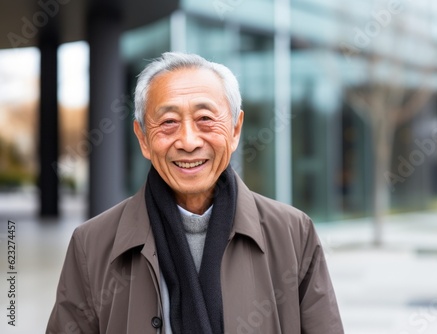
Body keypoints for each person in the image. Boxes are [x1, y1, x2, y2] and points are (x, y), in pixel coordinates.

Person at [47, 52, 344, 334]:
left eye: (205, 118)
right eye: (168, 123)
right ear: (143, 138)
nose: (188, 141)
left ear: (236, 129)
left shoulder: (293, 233)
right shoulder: (92, 244)